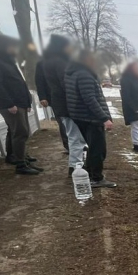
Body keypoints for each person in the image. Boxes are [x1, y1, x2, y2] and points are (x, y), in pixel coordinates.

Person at [0, 34, 42, 175]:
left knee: (15, 131)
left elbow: (19, 82)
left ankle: (15, 156)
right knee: (20, 132)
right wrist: (8, 102)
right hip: (11, 104)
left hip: (19, 102)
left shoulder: (6, 60)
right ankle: (21, 165)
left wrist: (26, 101)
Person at [65, 50, 117, 188]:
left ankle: (90, 173)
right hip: (91, 118)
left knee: (93, 148)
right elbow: (90, 99)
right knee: (98, 150)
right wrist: (104, 118)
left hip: (81, 116)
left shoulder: (73, 73)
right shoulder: (84, 75)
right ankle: (96, 178)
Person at [42, 34, 87, 177]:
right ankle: (75, 167)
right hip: (68, 105)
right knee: (75, 137)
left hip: (61, 103)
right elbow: (67, 85)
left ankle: (75, 165)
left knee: (74, 136)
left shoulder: (49, 61)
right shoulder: (60, 62)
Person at [36, 52, 69, 153]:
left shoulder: (66, 60)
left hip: (68, 95)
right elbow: (39, 81)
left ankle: (76, 143)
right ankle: (68, 145)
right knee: (63, 121)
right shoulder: (42, 63)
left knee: (71, 122)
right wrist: (42, 97)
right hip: (55, 97)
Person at [120, 61, 138, 153]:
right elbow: (125, 96)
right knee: (136, 126)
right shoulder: (126, 79)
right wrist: (133, 107)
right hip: (132, 106)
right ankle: (137, 145)